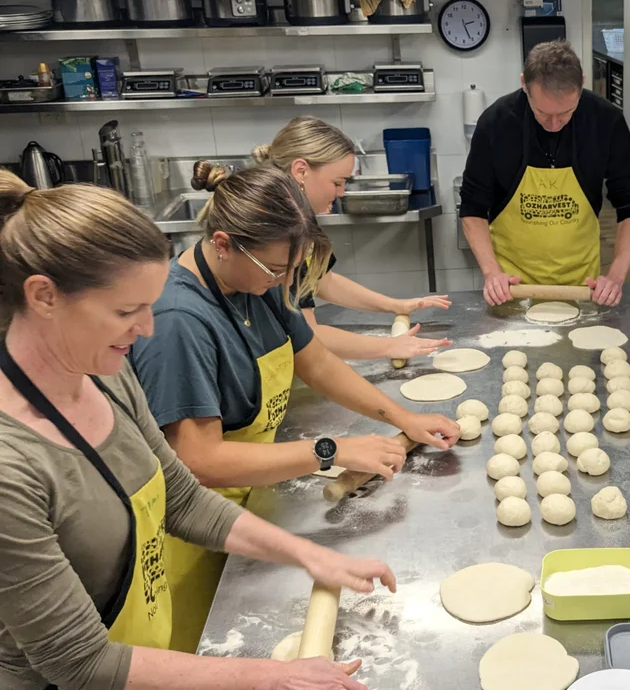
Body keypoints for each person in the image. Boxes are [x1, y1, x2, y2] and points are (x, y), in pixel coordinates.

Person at [0, 170, 394, 690]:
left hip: (142, 654)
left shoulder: (105, 377)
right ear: (44, 296)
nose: (147, 328)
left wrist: (309, 554)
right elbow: (78, 661)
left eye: (149, 303)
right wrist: (270, 677)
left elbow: (181, 499)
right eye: (126, 310)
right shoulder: (12, 466)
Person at [130, 165, 459, 652]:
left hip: (256, 507)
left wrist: (403, 419)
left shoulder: (256, 285)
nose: (286, 280)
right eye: (276, 269)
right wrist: (331, 450)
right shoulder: (180, 321)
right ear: (222, 243)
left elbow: (318, 363)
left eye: (292, 268)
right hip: (197, 540)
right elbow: (200, 462)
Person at [215, 115, 452, 362]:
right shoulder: (275, 230)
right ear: (301, 171)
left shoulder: (296, 217)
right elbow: (309, 333)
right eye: (337, 182)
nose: (341, 192)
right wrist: (388, 347)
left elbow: (320, 281)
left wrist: (395, 305)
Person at [460, 39, 630, 307]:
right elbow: (472, 209)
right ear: (524, 83)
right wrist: (491, 273)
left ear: (582, 83)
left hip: (583, 286)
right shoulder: (496, 123)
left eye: (567, 112)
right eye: (543, 113)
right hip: (512, 287)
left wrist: (615, 277)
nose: (554, 125)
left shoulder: (606, 122)